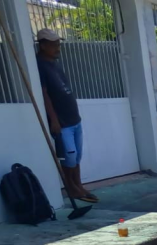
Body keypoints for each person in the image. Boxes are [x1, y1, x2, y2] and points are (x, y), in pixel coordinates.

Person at [35, 28, 97, 203]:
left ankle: (79, 185)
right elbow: (44, 94)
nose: (57, 48)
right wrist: (54, 120)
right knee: (68, 156)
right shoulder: (39, 65)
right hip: (62, 122)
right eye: (53, 45)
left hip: (74, 118)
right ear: (43, 45)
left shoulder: (54, 63)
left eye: (58, 44)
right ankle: (71, 187)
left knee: (76, 156)